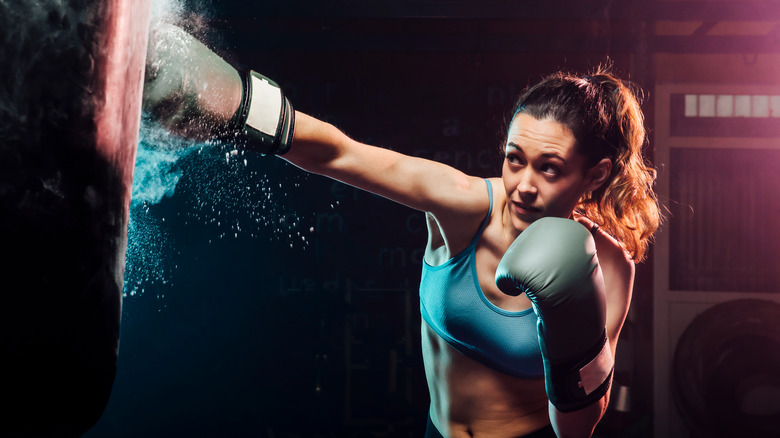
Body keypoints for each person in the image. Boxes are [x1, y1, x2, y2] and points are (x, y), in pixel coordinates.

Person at [143, 23, 661, 438]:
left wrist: (573, 323)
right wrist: (233, 103)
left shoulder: (611, 266)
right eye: (514, 160)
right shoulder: (463, 207)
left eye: (549, 168)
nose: (523, 186)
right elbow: (340, 152)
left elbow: (576, 429)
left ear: (594, 173)